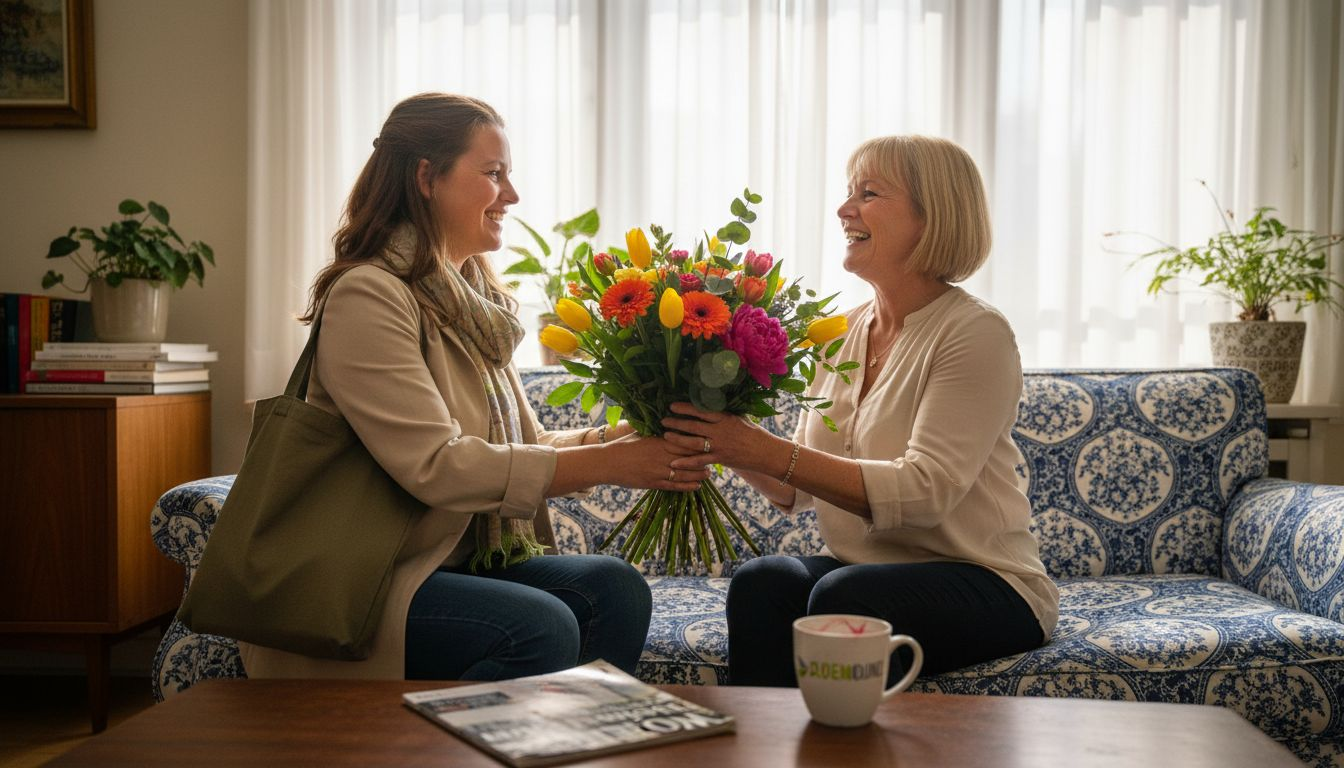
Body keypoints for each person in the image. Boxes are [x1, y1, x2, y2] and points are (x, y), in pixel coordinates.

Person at [239, 93, 710, 683]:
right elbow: (438, 465)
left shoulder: (470, 302)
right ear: (426, 178)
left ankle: (573, 744)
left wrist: (620, 437)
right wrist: (614, 462)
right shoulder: (369, 294)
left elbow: (523, 443)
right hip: (374, 576)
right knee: (540, 625)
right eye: (493, 175)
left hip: (450, 564)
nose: (511, 195)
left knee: (615, 589)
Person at [660, 135, 1058, 686]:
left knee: (844, 595)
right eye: (850, 194)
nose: (844, 210)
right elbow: (793, 490)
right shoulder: (840, 333)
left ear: (933, 215)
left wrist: (763, 448)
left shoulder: (975, 333)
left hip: (987, 581)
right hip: (867, 575)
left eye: (869, 193)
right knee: (763, 581)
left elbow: (924, 492)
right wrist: (713, 434)